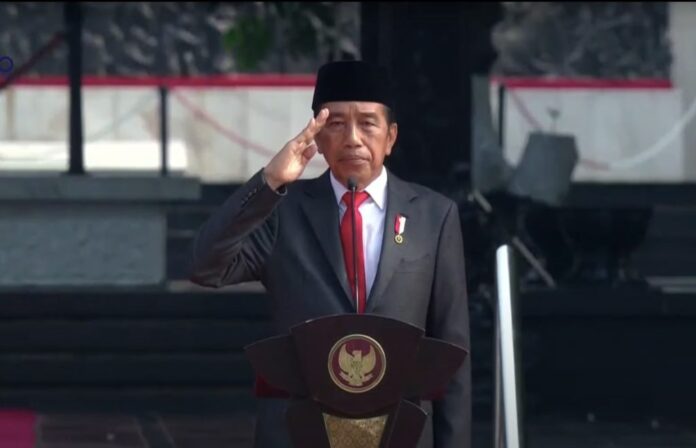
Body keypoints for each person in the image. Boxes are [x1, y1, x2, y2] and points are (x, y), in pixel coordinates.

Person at [189, 60, 471, 448]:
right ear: (318, 139)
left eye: (368, 123)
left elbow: (452, 355)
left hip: (399, 432)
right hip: (299, 431)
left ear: (390, 137)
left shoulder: (433, 216)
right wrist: (269, 181)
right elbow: (205, 266)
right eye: (336, 124)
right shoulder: (281, 213)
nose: (353, 139)